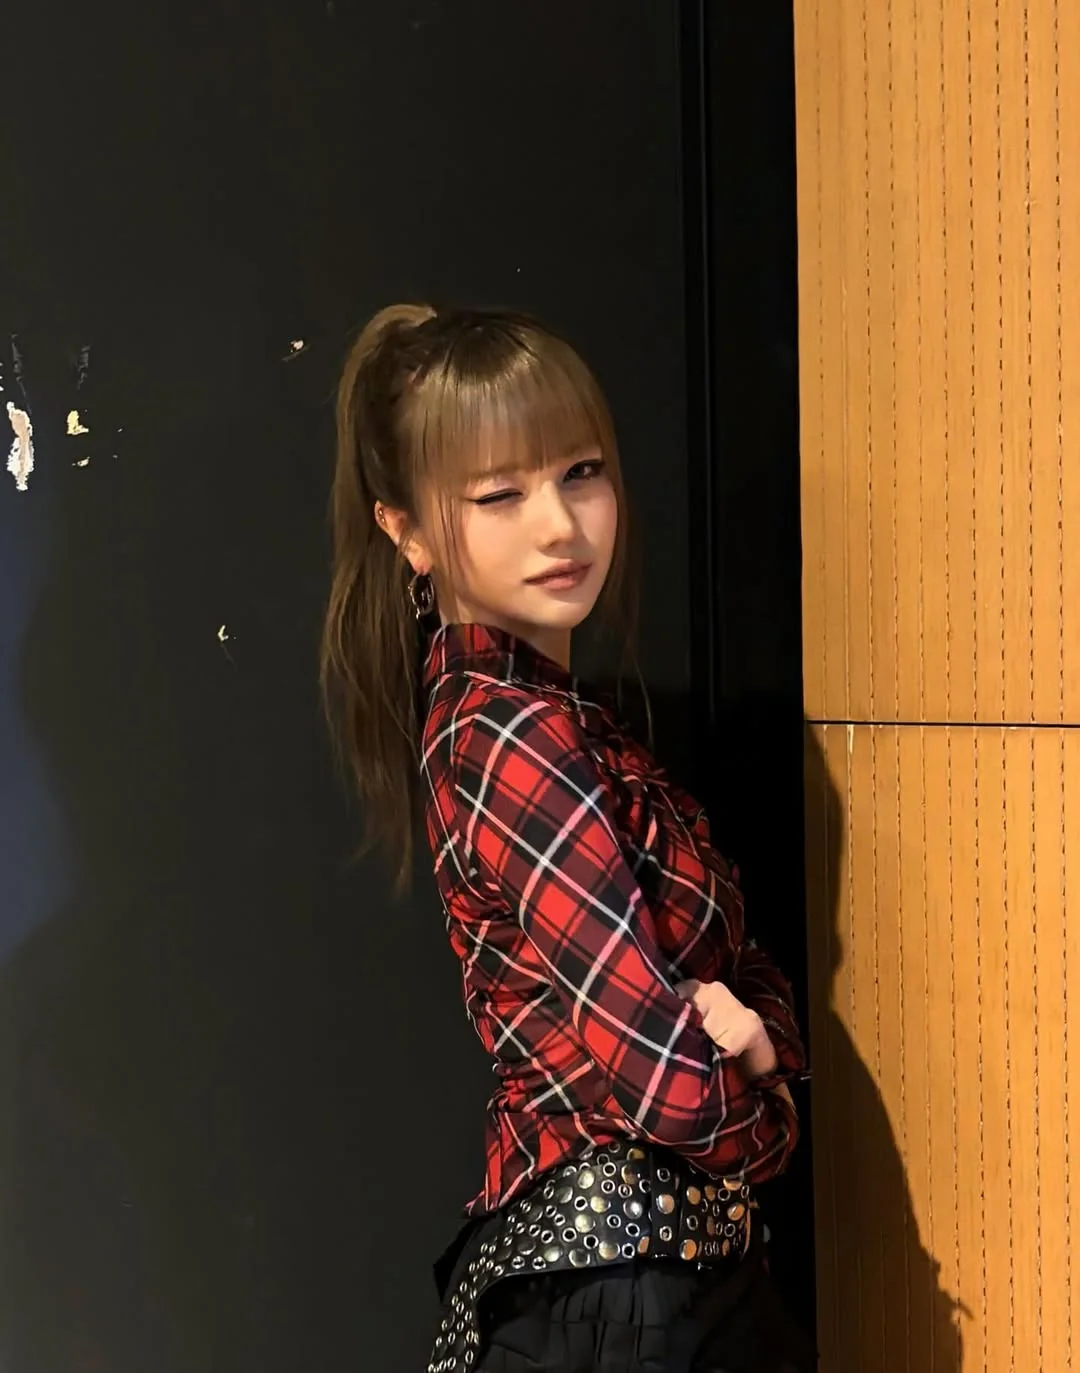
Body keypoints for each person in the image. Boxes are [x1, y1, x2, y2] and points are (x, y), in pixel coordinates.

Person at [320, 304, 814, 1372]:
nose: (559, 523)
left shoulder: (547, 719)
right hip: (624, 1300)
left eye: (580, 472)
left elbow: (744, 976)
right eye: (498, 493)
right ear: (405, 530)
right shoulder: (511, 734)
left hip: (644, 1289)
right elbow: (671, 1084)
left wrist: (757, 1029)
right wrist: (773, 1105)